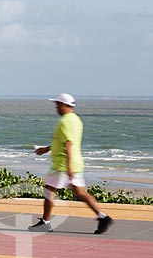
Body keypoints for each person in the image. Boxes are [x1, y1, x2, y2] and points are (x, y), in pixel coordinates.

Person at [28, 93, 113, 234]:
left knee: (49, 189)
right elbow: (63, 141)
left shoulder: (65, 122)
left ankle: (45, 222)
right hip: (75, 163)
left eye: (57, 104)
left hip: (63, 165)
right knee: (80, 192)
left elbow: (68, 144)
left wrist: (68, 167)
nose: (56, 107)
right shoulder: (76, 120)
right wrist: (47, 149)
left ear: (64, 105)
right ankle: (102, 216)